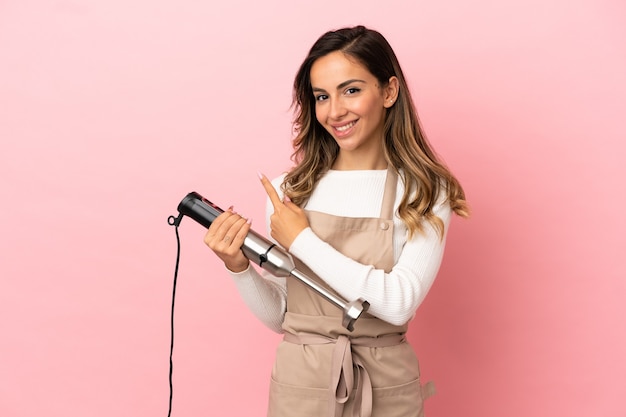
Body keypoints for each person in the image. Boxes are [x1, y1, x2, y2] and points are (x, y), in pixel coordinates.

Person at [204, 25, 469, 417]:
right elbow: (284, 315)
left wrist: (303, 241)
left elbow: (397, 304)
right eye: (322, 97)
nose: (334, 111)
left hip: (385, 389)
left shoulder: (424, 192)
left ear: (389, 91)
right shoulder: (290, 191)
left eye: (351, 90)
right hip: (302, 387)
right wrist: (239, 268)